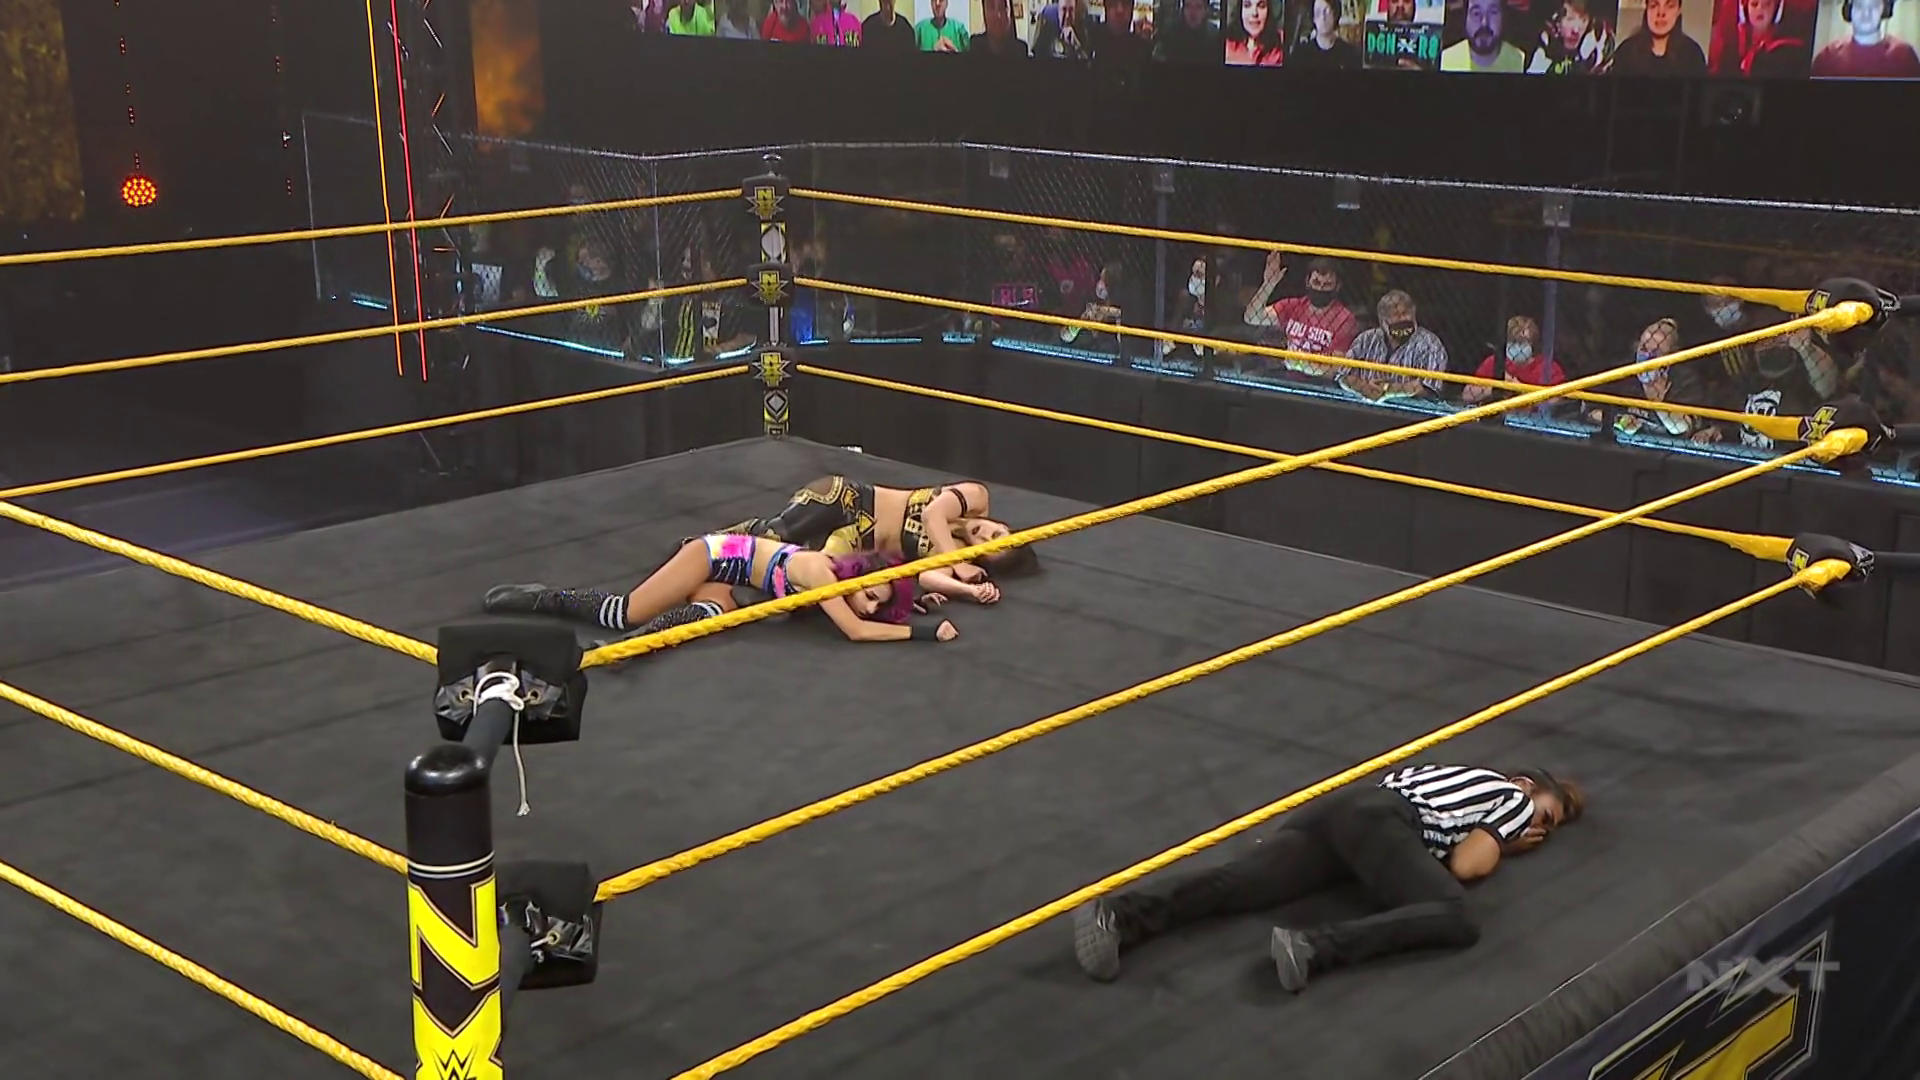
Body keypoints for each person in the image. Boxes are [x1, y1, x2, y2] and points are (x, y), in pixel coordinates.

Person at [1072, 763, 1585, 989]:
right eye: (1546, 816)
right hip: (1382, 824)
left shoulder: (1450, 773)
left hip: (1345, 815)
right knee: (1458, 917)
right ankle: (1315, 948)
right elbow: (1466, 866)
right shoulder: (1512, 798)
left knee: (1245, 882)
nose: (1539, 828)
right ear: (1525, 785)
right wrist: (1505, 841)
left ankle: (1118, 915)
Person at [482, 535, 959, 647]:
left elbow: (865, 612)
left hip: (734, 581)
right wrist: (924, 633)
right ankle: (543, 597)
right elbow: (855, 630)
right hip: (716, 554)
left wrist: (909, 603)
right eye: (871, 594)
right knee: (625, 610)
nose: (868, 605)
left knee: (709, 617)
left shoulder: (842, 583)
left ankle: (630, 647)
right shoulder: (823, 574)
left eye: (876, 602)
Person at [724, 476, 1039, 598]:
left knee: (801, 575)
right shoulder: (976, 498)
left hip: (854, 540)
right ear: (1004, 525)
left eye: (985, 547)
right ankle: (710, 544)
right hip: (847, 499)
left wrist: (970, 589)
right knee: (774, 534)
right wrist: (958, 562)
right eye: (996, 533)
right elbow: (932, 514)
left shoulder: (952, 551)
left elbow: (928, 578)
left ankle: (724, 572)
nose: (983, 535)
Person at [1812, 0, 1920, 75]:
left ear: (1884, 9)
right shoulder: (1826, 58)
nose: (1866, 13)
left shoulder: (1905, 55)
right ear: (1849, 9)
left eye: (1874, 5)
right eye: (1859, 5)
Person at [1604, 0, 1707, 72]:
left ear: (1679, 10)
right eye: (1654, 5)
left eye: (1670, 6)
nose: (1661, 13)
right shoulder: (1626, 52)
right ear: (1646, 8)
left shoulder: (1693, 54)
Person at [1443, 0, 1527, 70]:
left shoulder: (1520, 61)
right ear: (1465, 18)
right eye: (1476, 13)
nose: (1484, 22)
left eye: (1493, 12)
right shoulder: (1445, 60)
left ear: (1503, 17)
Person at [1288, 0, 1363, 66]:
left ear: (1335, 14)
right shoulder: (1301, 55)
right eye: (1318, 13)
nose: (1323, 18)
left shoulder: (1350, 54)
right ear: (1313, 18)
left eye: (1326, 12)